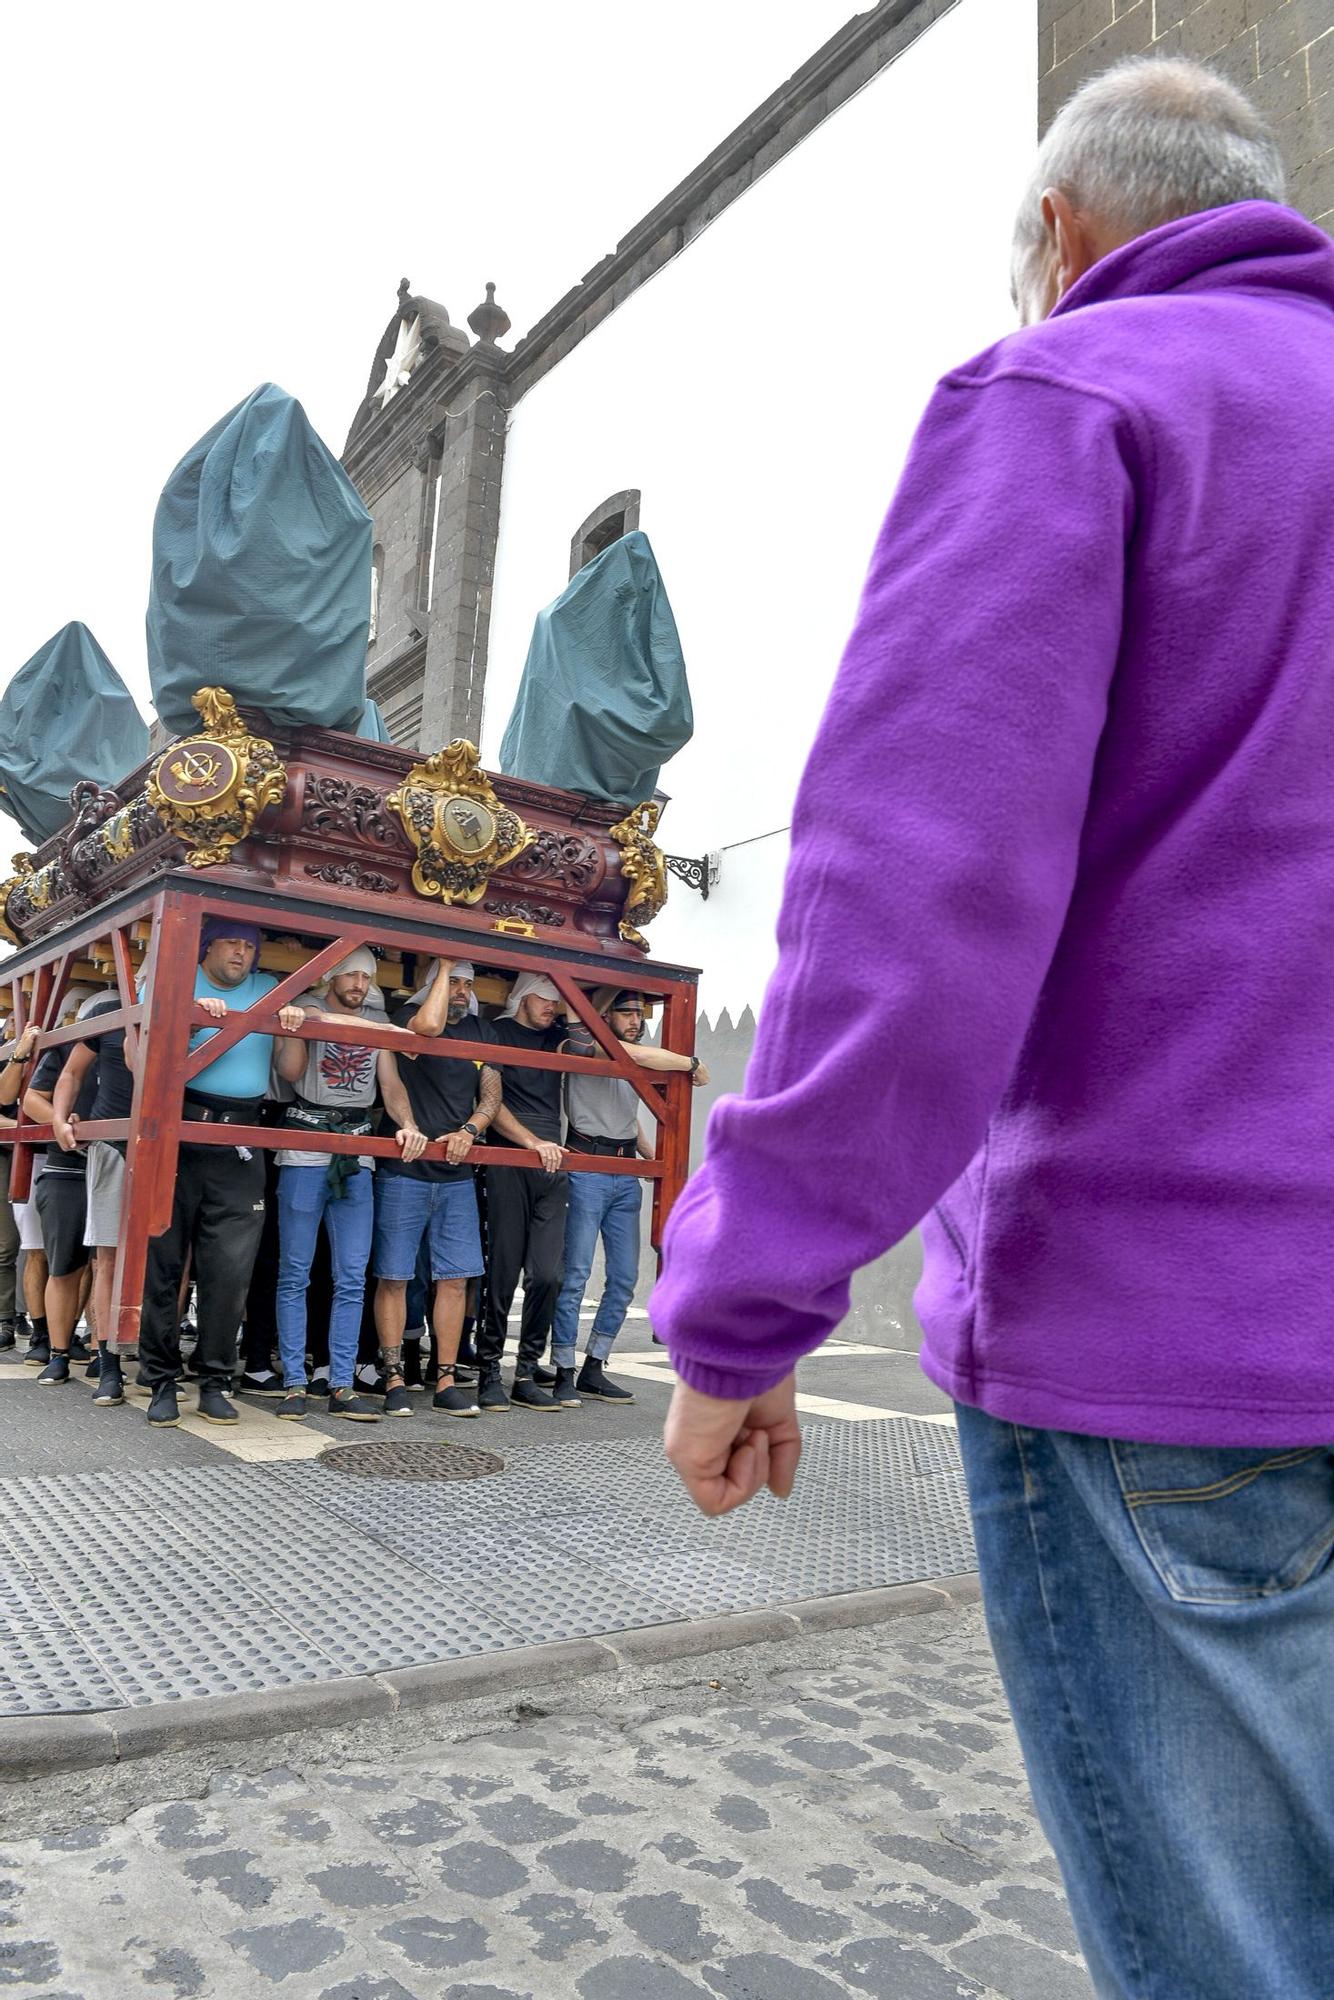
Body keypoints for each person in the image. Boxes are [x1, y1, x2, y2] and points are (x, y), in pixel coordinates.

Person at [654, 57, 1334, 2000]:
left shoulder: (1073, 396)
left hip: (1167, 1354)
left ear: (1057, 237)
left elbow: (914, 904)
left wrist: (740, 1312)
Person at [137, 918, 308, 1429]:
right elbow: (140, 1057)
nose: (241, 953)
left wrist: (291, 1023)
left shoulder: (268, 989)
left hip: (240, 1136)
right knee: (164, 1265)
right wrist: (190, 1020)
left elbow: (293, 1071)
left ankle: (214, 1380)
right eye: (231, 943)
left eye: (249, 946)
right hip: (180, 1127)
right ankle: (160, 1381)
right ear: (207, 945)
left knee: (229, 1271)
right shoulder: (173, 976)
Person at [271, 946, 426, 1422]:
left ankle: (341, 1382)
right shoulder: (312, 1009)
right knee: (295, 1271)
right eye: (350, 975)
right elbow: (290, 1072)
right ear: (330, 978)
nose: (358, 984)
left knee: (352, 1276)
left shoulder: (377, 1023)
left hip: (357, 1148)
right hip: (306, 1144)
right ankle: (295, 1380)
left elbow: (391, 1084)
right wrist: (294, 1028)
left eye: (366, 976)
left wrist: (408, 1123)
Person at [549, 988, 708, 1407]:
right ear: (606, 1014)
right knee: (576, 1275)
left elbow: (629, 1120)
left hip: (625, 1173)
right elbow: (635, 1056)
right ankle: (563, 1368)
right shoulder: (586, 1044)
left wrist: (659, 1163)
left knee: (622, 1279)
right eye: (627, 1013)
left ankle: (594, 1366)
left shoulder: (632, 1055)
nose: (636, 1020)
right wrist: (690, 1064)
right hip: (587, 1166)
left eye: (640, 1014)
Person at [373, 956, 499, 1418]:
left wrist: (470, 1129)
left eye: (469, 982)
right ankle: (393, 1379)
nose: (464, 991)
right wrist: (443, 970)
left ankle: (444, 1378)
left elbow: (491, 1095)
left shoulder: (482, 1033)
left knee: (455, 1278)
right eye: (456, 983)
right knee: (395, 1276)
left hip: (456, 1174)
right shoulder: (409, 1018)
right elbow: (428, 1025)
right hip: (405, 1171)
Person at [472, 973, 573, 1412]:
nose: (552, 1005)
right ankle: (489, 1370)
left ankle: (527, 1369)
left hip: (554, 1159)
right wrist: (531, 1142)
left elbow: (596, 1008)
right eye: (544, 996)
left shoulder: (559, 1037)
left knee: (549, 1274)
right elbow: (493, 1106)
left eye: (557, 998)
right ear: (520, 997)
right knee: (504, 1269)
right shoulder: (498, 1032)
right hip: (511, 1155)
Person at [50, 988, 133, 1402]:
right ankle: (109, 1362)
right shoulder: (108, 1008)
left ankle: (156, 1362)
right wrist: (60, 1120)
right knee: (107, 1260)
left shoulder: (190, 998)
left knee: (173, 1260)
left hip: (173, 1140)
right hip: (112, 1140)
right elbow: (70, 1073)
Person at [22, 996, 101, 1385]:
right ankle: (58, 1350)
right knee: (64, 1265)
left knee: (105, 1266)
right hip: (65, 1167)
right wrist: (60, 1124)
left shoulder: (133, 1043)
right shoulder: (65, 1046)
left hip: (115, 1163)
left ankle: (104, 1351)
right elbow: (31, 1098)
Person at [0, 1020, 39, 1353]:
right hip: (7, 1151)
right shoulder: (6, 1048)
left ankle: (20, 1314)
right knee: (7, 1243)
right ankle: (4, 1318)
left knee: (33, 1243)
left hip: (36, 1150)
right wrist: (25, 1129)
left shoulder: (50, 1043)